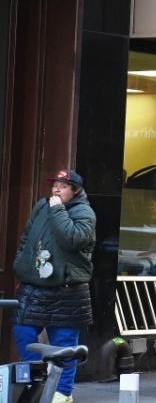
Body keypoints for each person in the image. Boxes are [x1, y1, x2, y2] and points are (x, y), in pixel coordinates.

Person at [13, 169, 96, 403]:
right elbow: (27, 237)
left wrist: (58, 209)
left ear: (76, 190)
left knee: (64, 345)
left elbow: (73, 239)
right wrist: (21, 264)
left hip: (66, 291)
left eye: (64, 185)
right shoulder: (42, 205)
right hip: (34, 287)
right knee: (22, 333)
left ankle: (62, 394)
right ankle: (36, 384)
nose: (57, 189)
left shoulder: (84, 212)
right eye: (55, 184)